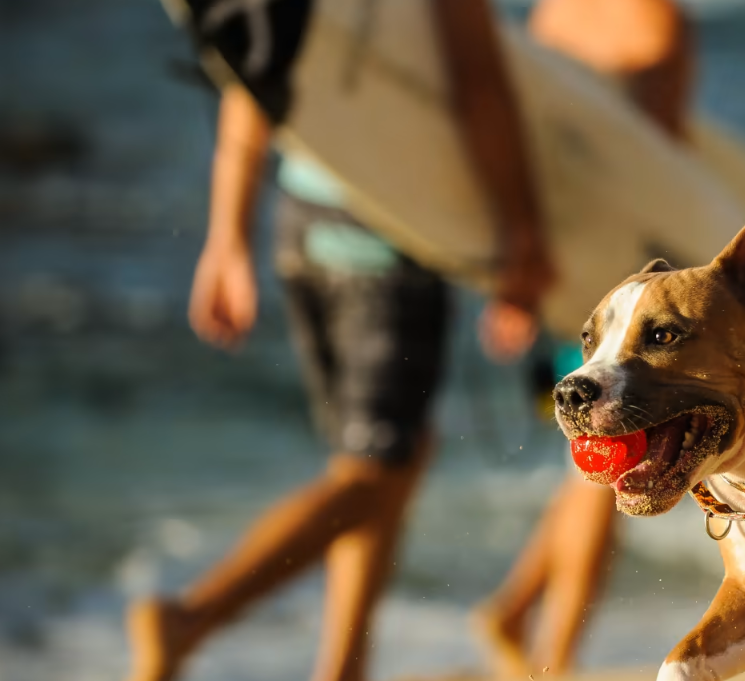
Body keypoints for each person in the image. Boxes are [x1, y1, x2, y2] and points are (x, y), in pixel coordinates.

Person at [124, 0, 551, 679]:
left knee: (378, 458)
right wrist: (523, 235)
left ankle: (345, 664)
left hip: (302, 227)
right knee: (379, 468)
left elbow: (251, 75)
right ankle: (191, 617)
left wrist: (228, 234)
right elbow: (479, 88)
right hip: (388, 241)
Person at [467, 0, 695, 678]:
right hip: (616, 282)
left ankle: (515, 613)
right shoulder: (659, 21)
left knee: (588, 467)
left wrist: (517, 276)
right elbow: (656, 166)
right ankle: (554, 658)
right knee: (608, 467)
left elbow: (527, 147)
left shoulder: (549, 16)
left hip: (556, 270)